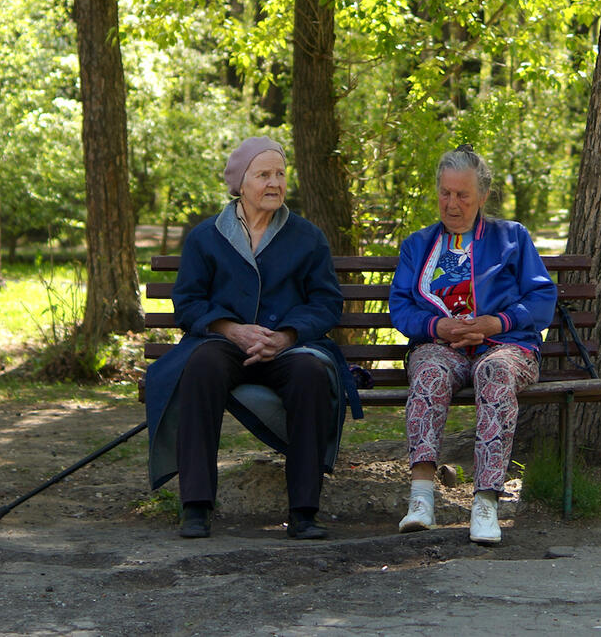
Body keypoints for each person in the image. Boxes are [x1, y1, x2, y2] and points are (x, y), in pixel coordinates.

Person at [142, 136, 360, 540]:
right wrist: (230, 329)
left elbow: (325, 303)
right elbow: (187, 302)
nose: (274, 183)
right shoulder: (206, 237)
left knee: (313, 374)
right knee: (200, 365)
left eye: (280, 173)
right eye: (264, 175)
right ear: (241, 183)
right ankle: (196, 506)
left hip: (288, 347)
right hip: (224, 344)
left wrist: (285, 335)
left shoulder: (307, 237)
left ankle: (304, 512)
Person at [388, 145, 557, 544]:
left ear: (482, 196)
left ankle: (485, 501)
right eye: (445, 193)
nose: (452, 203)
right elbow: (401, 308)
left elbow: (541, 300)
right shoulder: (418, 245)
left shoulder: (511, 238)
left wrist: (495, 321)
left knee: (495, 372)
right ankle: (421, 498)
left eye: (463, 195)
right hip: (441, 346)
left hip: (503, 344)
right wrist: (437, 327)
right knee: (428, 372)